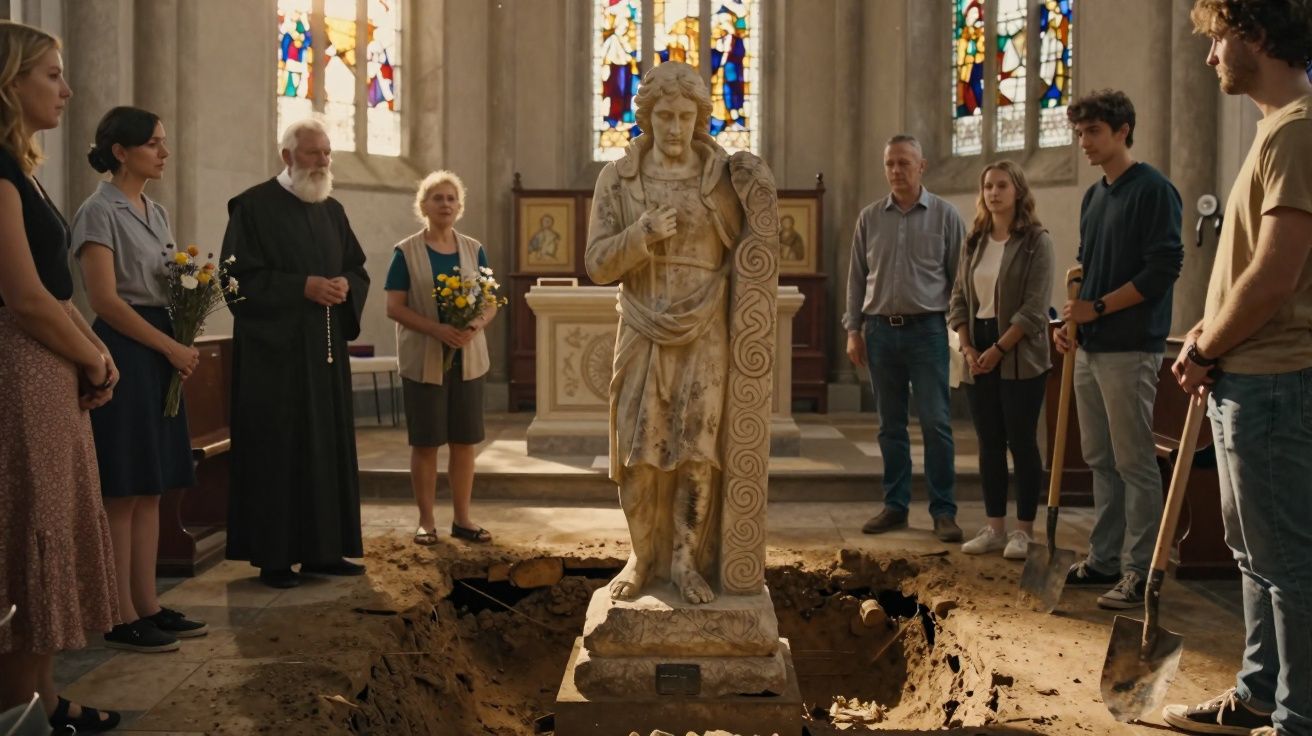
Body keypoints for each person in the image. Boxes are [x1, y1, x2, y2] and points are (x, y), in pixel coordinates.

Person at [1164, 3, 1312, 734]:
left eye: (1218, 38)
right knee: (1254, 554)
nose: (1210, 55)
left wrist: (1206, 348)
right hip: (1245, 372)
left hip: (1274, 377)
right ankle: (1257, 696)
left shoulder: (1299, 129)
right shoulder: (1275, 129)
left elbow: (1278, 273)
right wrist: (1205, 330)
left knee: (1288, 563)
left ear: (1255, 34)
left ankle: (1298, 717)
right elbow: (1251, 266)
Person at [585, 61, 773, 605]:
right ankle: (642, 558)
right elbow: (597, 264)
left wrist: (760, 188)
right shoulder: (619, 179)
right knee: (637, 455)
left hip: (704, 329)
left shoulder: (721, 180)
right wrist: (639, 235)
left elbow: (756, 249)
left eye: (684, 116)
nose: (673, 127)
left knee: (697, 451)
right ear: (646, 116)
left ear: (699, 118)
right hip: (642, 325)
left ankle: (687, 563)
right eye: (663, 115)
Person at [0, 20, 122, 733]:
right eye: (51, 74)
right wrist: (91, 355)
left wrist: (91, 349)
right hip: (19, 371)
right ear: (8, 81)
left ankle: (44, 701)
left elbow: (57, 291)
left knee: (52, 520)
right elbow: (22, 296)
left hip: (47, 370)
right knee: (32, 532)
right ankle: (18, 715)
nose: (67, 90)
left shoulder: (24, 172)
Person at [72, 106, 208, 653]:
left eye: (163, 142)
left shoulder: (157, 211)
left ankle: (147, 603)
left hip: (158, 346)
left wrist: (184, 328)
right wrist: (170, 346)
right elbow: (104, 299)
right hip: (126, 346)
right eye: (153, 143)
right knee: (123, 488)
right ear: (120, 152)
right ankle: (118, 613)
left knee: (150, 486)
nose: (164, 152)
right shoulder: (96, 212)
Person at [220, 118, 370, 589]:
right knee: (279, 452)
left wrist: (346, 285)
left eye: (327, 152)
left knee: (325, 449)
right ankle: (275, 558)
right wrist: (300, 287)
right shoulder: (252, 207)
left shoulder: (333, 210)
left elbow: (357, 267)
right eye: (312, 153)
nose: (323, 161)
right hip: (275, 361)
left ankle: (325, 551)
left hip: (324, 357)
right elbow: (236, 280)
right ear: (287, 156)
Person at [1054, 89, 1183, 610]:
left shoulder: (1153, 189)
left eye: (1093, 132)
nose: (1084, 142)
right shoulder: (1094, 196)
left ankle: (1139, 571)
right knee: (1100, 459)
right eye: (1079, 133)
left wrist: (1099, 308)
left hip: (1131, 346)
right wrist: (1072, 323)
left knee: (1134, 462)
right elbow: (1085, 266)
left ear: (1123, 130)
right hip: (1092, 346)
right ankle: (1104, 558)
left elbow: (1162, 270)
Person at [844, 134, 966, 543]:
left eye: (904, 163)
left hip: (927, 331)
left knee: (936, 422)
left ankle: (943, 511)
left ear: (921, 166)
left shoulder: (946, 216)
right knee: (890, 426)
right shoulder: (869, 218)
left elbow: (959, 280)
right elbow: (856, 278)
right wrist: (853, 330)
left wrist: (958, 332)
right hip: (880, 331)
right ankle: (895, 506)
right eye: (890, 163)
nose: (896, 170)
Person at [947, 161, 1054, 559]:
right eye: (988, 186)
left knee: (1021, 442)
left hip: (1020, 351)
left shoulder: (1036, 241)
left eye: (1002, 185)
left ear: (1017, 190)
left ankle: (1023, 532)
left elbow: (1034, 308)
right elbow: (958, 299)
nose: (993, 192)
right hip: (977, 346)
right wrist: (968, 347)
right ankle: (994, 528)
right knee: (989, 442)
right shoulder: (974, 240)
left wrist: (997, 350)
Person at [384, 171, 496, 545]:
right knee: (426, 442)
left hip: (469, 360)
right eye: (437, 198)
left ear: (459, 206)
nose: (445, 204)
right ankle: (426, 522)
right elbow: (394, 307)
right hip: (423, 361)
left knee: (464, 442)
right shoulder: (406, 252)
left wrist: (474, 324)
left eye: (451, 198)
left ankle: (463, 519)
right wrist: (437, 329)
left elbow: (490, 302)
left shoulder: (474, 249)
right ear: (424, 206)